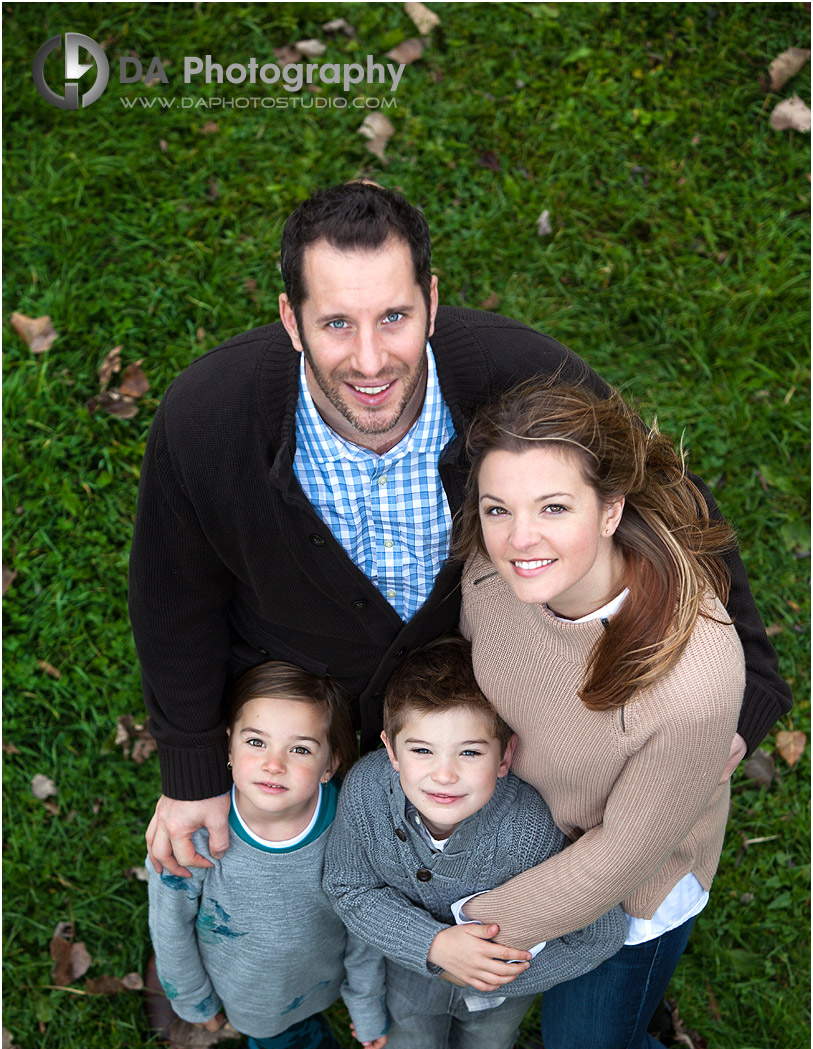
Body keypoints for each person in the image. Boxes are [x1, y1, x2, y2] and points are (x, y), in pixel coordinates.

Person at [128, 180, 791, 878]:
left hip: (479, 699)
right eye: (335, 324)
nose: (370, 360)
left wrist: (745, 690)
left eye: (393, 317)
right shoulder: (204, 417)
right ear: (291, 320)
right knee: (289, 892)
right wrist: (192, 768)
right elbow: (173, 597)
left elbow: (671, 505)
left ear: (432, 304)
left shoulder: (523, 377)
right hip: (297, 706)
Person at [446, 378, 753, 1049]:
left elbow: (621, 855)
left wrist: (467, 928)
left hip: (627, 878)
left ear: (610, 509)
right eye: (497, 508)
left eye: (552, 507)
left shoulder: (690, 682)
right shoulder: (490, 569)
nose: (517, 541)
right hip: (523, 833)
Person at [323, 636, 628, 1049]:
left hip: (500, 993)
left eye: (469, 752)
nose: (443, 775)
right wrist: (432, 944)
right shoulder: (365, 792)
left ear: (505, 755)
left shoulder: (532, 829)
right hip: (409, 980)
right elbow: (348, 887)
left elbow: (601, 932)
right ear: (389, 749)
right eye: (421, 750)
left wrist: (507, 973)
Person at [146, 661, 387, 1049]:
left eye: (300, 748)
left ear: (331, 763)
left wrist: (366, 1004)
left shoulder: (350, 826)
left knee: (285, 1032)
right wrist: (191, 1000)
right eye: (256, 741)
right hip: (247, 990)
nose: (273, 764)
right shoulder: (196, 833)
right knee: (292, 1039)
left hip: (317, 979)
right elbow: (169, 924)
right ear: (227, 746)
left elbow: (368, 922)